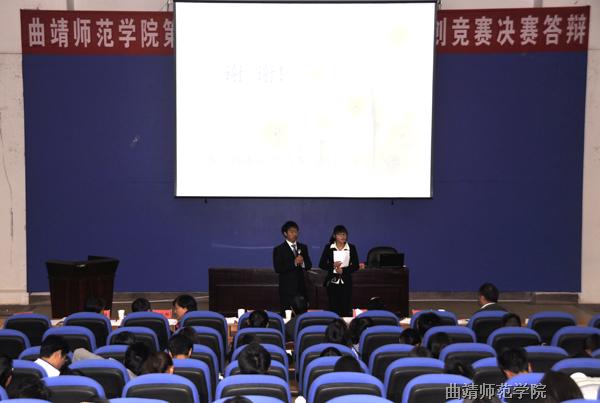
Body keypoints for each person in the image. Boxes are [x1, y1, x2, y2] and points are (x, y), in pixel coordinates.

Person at [272, 221, 313, 314]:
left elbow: (309, 265)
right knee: (287, 316)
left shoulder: (303, 247)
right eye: (291, 231)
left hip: (301, 289)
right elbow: (278, 268)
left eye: (296, 231)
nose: (295, 234)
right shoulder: (279, 249)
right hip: (287, 290)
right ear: (285, 233)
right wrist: (294, 262)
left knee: (302, 316)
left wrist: (302, 263)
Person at [318, 225, 359, 317]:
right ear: (334, 236)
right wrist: (333, 266)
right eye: (340, 234)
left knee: (345, 307)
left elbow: (356, 265)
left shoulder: (351, 247)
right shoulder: (329, 247)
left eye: (344, 234)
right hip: (332, 281)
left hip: (346, 281)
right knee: (333, 307)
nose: (343, 236)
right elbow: (322, 264)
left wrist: (343, 271)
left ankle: (345, 324)